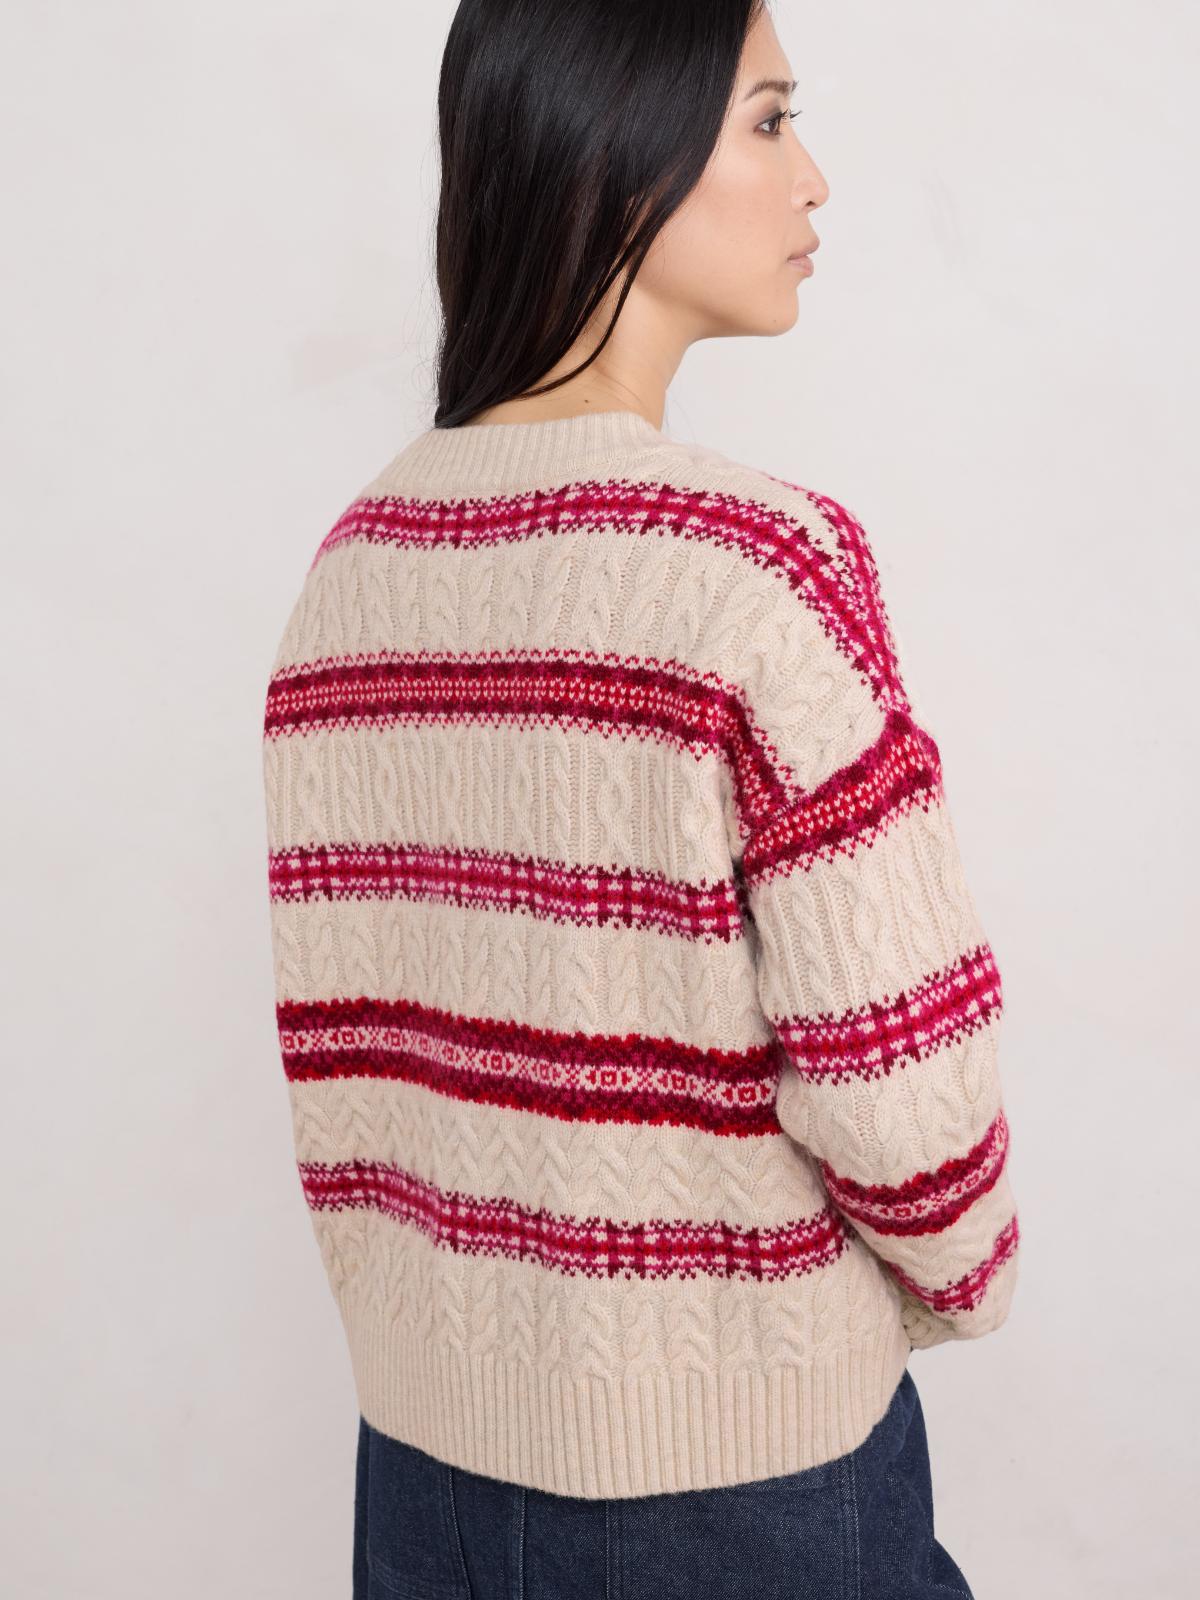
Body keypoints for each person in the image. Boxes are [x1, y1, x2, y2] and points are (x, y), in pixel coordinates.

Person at [260, 1, 1022, 1594]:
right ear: (623, 155)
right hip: (740, 1484)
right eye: (769, 120)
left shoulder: (351, 577)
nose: (814, 177)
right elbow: (903, 1093)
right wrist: (954, 1278)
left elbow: (353, 1065)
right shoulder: (754, 567)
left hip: (420, 1478)